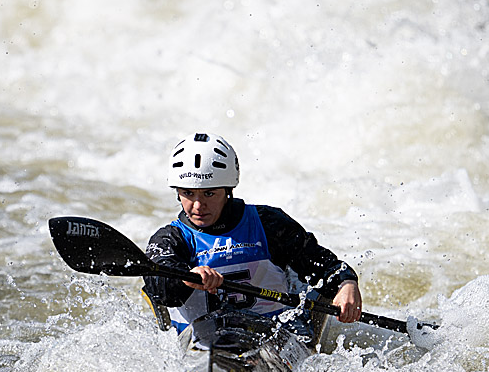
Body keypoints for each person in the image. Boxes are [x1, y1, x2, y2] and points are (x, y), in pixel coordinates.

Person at [141, 132, 363, 339]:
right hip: (201, 344)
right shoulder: (170, 239)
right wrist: (187, 277)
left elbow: (324, 265)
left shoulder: (268, 224)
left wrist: (347, 284)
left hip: (269, 339)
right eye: (188, 193)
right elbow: (160, 285)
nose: (198, 205)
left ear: (228, 190)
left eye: (209, 193)